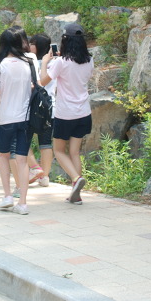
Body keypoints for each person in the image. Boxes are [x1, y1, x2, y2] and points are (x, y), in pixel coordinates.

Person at [40, 23, 93, 205]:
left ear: (65, 40)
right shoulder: (89, 60)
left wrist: (45, 63)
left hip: (65, 114)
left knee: (58, 151)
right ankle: (76, 194)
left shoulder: (61, 62)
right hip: (83, 112)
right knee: (75, 152)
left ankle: (76, 179)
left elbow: (43, 81)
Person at [0, 28, 33, 215]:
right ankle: (23, 203)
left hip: (6, 119)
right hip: (26, 119)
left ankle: (7, 196)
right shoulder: (28, 63)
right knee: (22, 160)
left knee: (4, 156)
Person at [28, 33, 54, 187]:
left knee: (22, 139)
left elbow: (40, 83)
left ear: (37, 46)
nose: (29, 45)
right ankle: (44, 177)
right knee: (45, 142)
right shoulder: (55, 63)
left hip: (33, 106)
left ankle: (36, 169)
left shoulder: (31, 63)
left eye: (32, 43)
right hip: (50, 106)